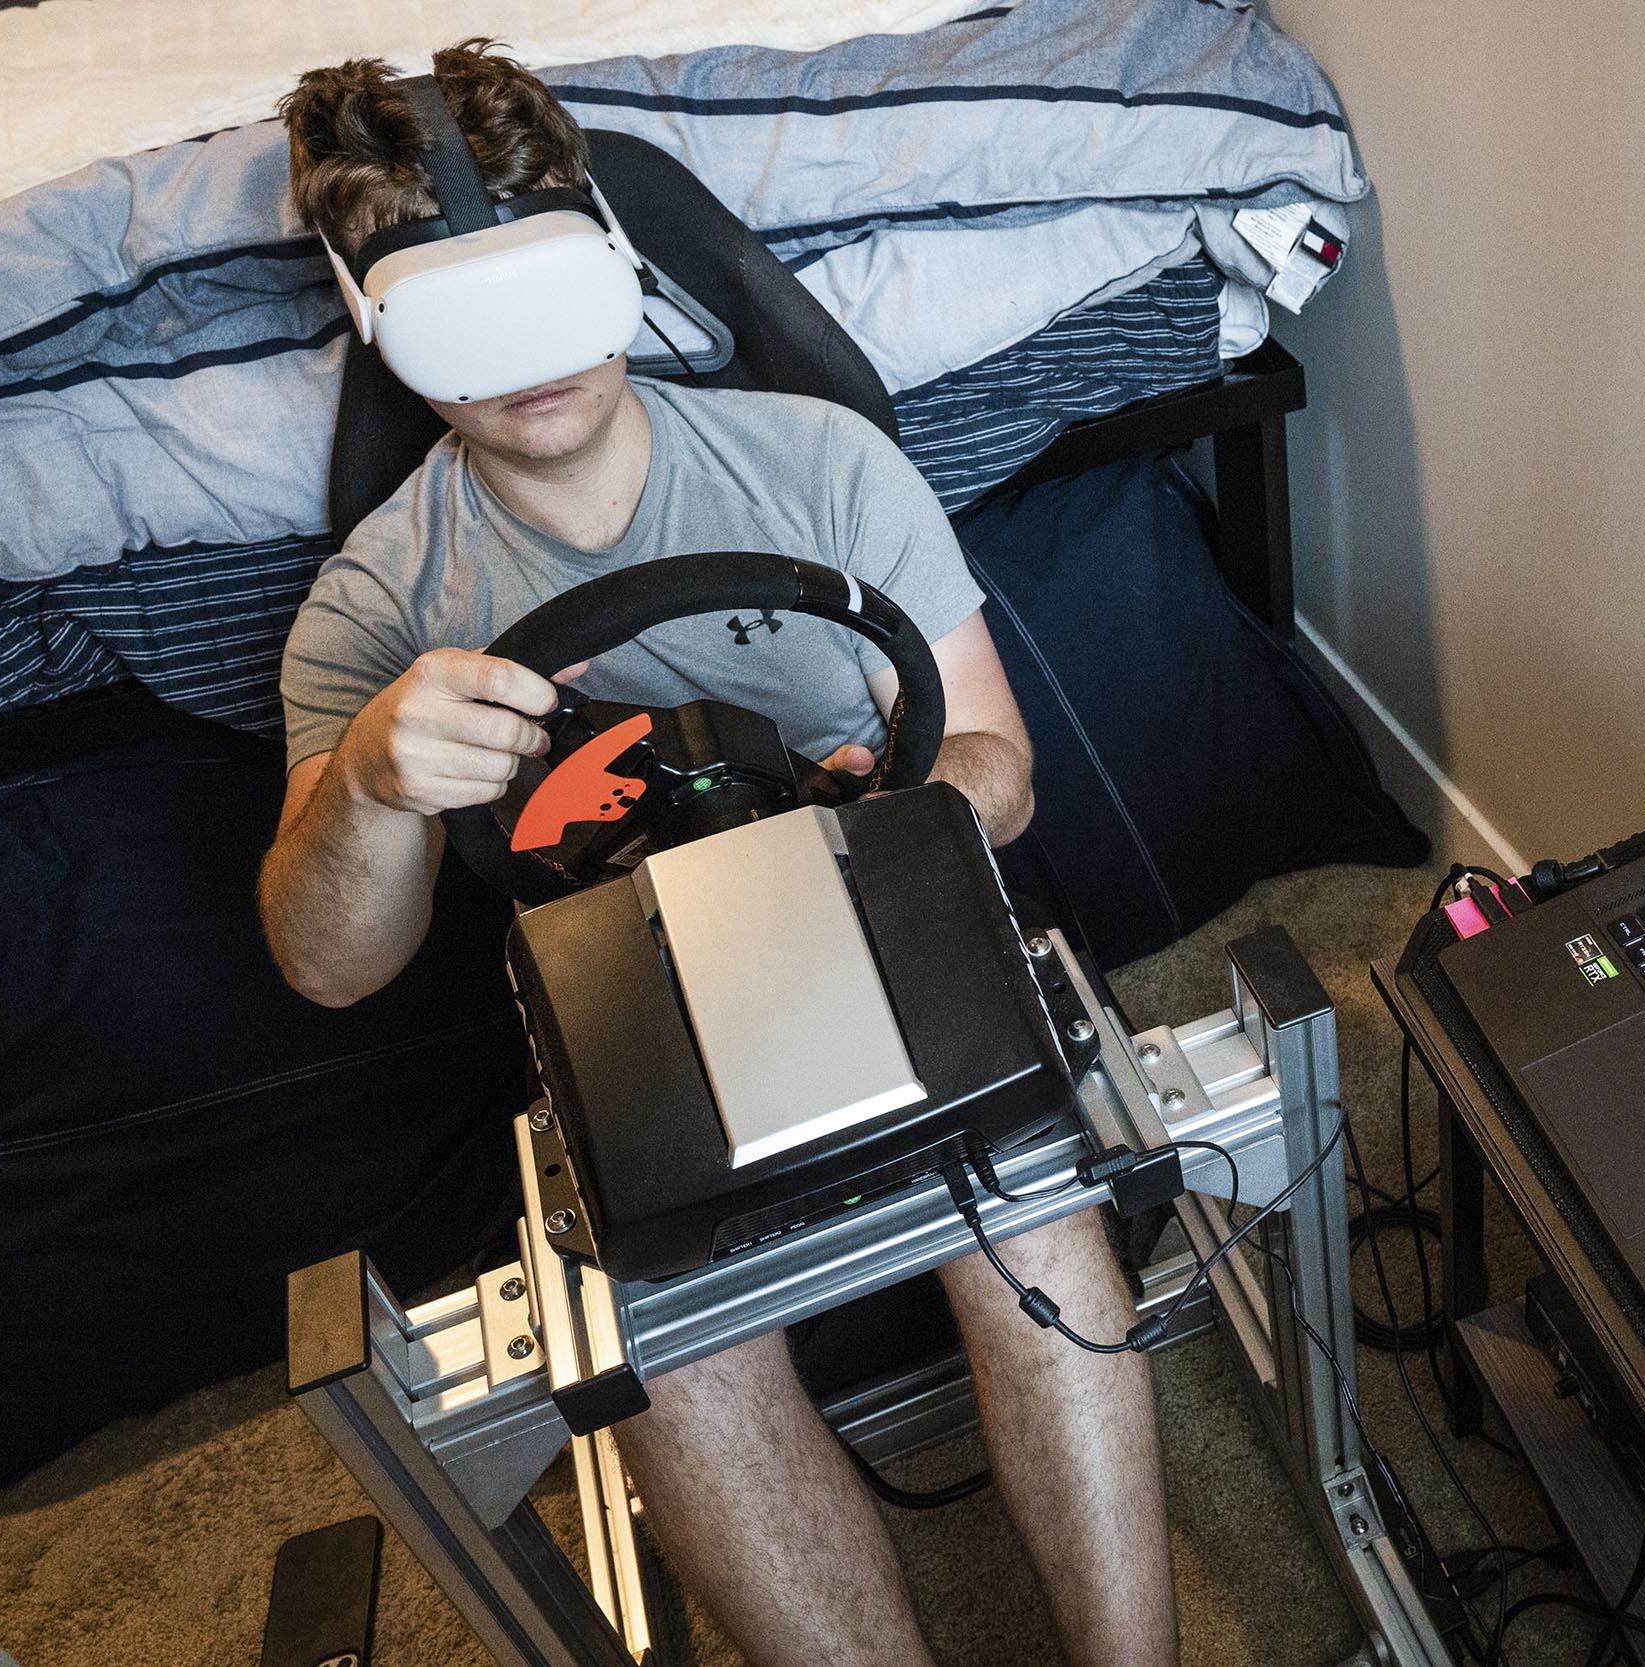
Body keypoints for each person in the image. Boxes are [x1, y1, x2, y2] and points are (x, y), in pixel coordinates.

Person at [256, 42, 1176, 1667]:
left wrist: (898, 802)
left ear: (610, 265)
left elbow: (1002, 763)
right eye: (464, 326)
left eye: (544, 298)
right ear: (381, 324)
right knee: (663, 1344)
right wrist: (373, 790)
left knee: (1031, 1209)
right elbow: (326, 964)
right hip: (624, 1023)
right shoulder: (376, 605)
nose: (530, 368)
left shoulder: (820, 465)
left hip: (886, 930)